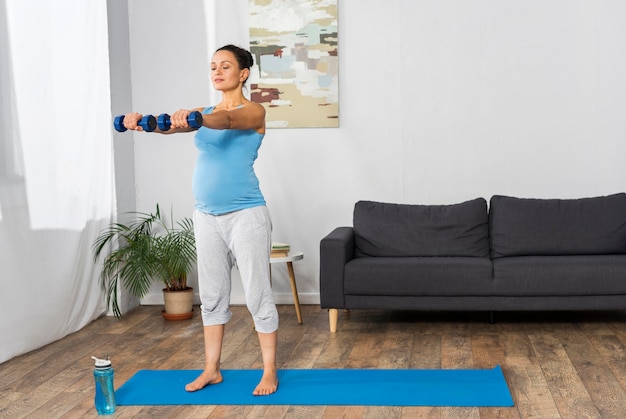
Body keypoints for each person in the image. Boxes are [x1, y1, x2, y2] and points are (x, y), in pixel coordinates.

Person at [120, 44, 279, 396]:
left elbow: (227, 120)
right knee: (211, 296)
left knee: (257, 295)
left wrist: (197, 118)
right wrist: (141, 123)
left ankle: (269, 371)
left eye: (225, 66)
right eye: (212, 66)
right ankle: (212, 369)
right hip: (206, 216)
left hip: (246, 215)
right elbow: (167, 126)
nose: (217, 71)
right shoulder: (202, 111)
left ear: (243, 74)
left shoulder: (254, 111)